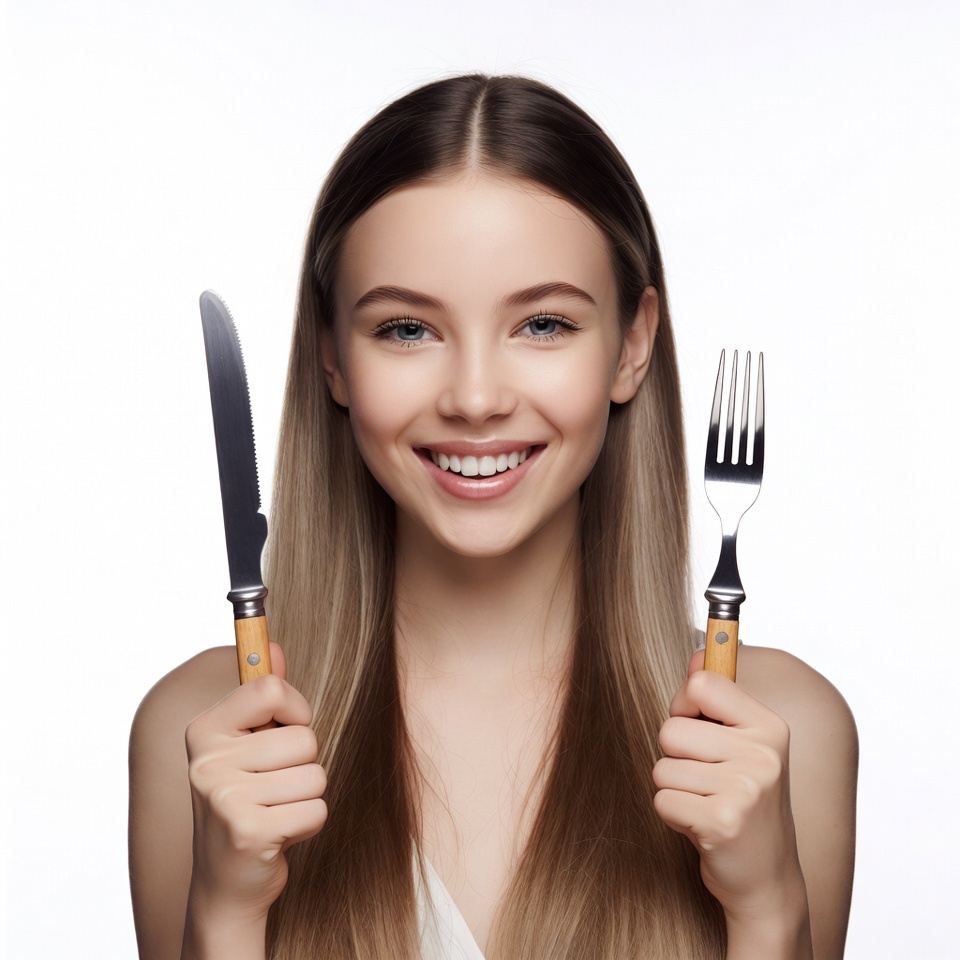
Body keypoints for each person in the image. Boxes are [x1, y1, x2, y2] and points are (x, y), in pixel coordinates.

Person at [129, 74, 857, 960]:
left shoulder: (783, 736)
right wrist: (226, 916)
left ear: (632, 346)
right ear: (331, 356)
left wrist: (771, 910)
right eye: (406, 330)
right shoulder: (205, 736)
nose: (475, 398)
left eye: (544, 324)